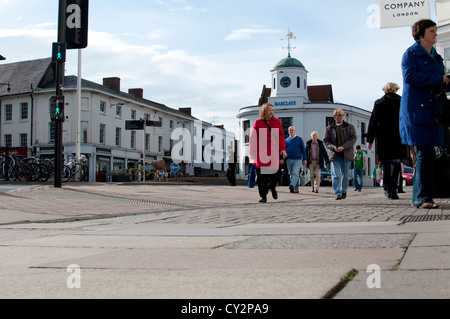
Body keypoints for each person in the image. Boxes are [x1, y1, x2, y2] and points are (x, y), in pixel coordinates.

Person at [399, 19, 450, 209]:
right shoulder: (411, 54)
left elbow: (440, 80)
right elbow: (410, 77)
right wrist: (439, 79)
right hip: (417, 110)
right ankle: (421, 197)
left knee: (428, 154)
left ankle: (424, 196)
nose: (435, 34)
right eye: (432, 31)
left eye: (436, 31)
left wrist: (445, 81)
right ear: (421, 34)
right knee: (425, 152)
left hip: (432, 110)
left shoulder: (436, 56)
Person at [367, 82, 408, 200]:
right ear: (395, 90)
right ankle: (393, 190)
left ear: (384, 90)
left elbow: (373, 121)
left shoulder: (379, 103)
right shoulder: (401, 101)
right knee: (395, 164)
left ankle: (387, 189)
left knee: (386, 164)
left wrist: (370, 139)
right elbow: (406, 119)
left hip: (383, 137)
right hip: (398, 136)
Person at [249, 103, 287, 203]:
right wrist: (251, 155)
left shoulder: (277, 122)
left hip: (273, 153)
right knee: (262, 178)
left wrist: (283, 149)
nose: (272, 112)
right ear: (264, 111)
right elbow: (252, 139)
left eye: (273, 110)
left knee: (275, 175)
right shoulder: (257, 123)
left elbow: (281, 137)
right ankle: (263, 196)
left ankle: (272, 187)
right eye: (270, 110)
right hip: (260, 154)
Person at [324, 108, 357, 200]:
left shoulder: (349, 127)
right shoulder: (329, 128)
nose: (341, 117)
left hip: (346, 154)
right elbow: (326, 140)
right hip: (335, 155)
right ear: (334, 116)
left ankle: (344, 190)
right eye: (339, 115)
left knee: (345, 175)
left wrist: (343, 146)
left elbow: (353, 138)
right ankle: (337, 193)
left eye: (342, 115)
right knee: (335, 175)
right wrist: (333, 147)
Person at [285, 126, 307, 193]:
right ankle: (296, 188)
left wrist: (304, 159)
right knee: (292, 174)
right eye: (289, 130)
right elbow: (283, 150)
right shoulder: (286, 140)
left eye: (292, 130)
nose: (291, 131)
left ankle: (292, 185)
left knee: (295, 173)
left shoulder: (299, 139)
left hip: (297, 159)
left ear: (295, 131)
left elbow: (303, 150)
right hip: (288, 159)